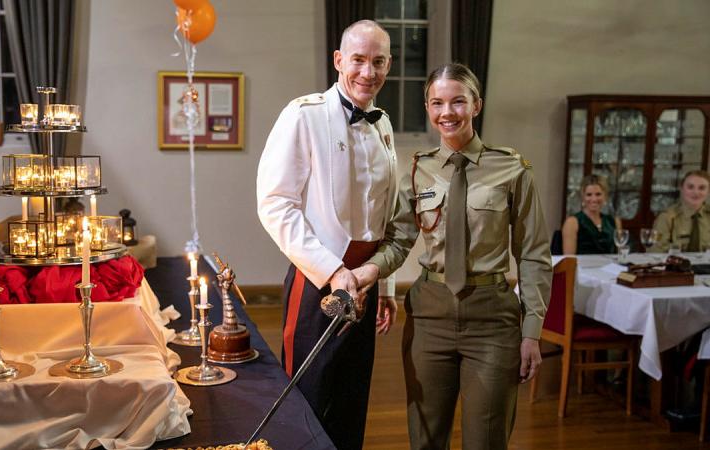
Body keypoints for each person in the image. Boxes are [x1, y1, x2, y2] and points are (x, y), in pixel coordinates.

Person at [353, 63, 552, 450]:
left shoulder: (512, 168)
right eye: (437, 102)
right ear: (428, 108)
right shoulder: (416, 170)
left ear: (476, 105)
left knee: (487, 439)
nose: (448, 112)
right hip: (431, 317)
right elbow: (398, 241)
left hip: (493, 319)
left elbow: (533, 255)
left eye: (458, 101)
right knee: (425, 438)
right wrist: (364, 274)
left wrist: (532, 332)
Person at [256, 20, 398, 450]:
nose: (367, 72)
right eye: (358, 60)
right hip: (318, 280)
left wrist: (385, 284)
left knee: (352, 398)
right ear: (339, 61)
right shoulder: (303, 115)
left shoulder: (383, 124)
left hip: (367, 281)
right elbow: (275, 204)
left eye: (377, 62)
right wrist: (334, 272)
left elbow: (383, 214)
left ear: (388, 64)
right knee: (308, 397)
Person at [651, 170, 710, 253]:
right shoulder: (666, 217)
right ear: (681, 189)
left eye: (702, 188)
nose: (696, 192)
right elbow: (654, 252)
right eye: (690, 187)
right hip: (675, 265)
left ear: (708, 192)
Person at [561, 174, 618, 254]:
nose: (594, 199)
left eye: (598, 194)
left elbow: (619, 254)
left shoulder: (613, 221)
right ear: (583, 197)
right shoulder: (572, 222)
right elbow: (569, 259)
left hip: (610, 266)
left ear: (605, 196)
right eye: (589, 195)